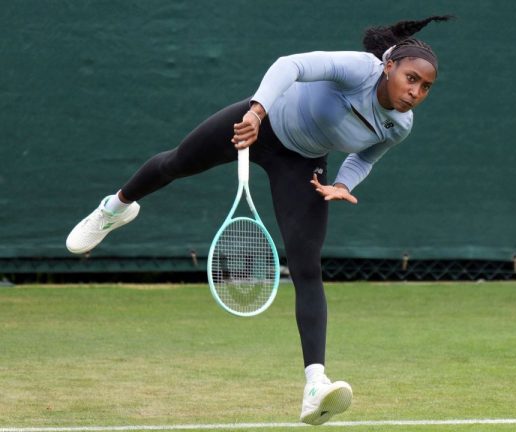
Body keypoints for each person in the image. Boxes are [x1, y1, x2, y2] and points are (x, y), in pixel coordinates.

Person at [66, 15, 451, 425]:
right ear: (390, 66)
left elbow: (367, 154)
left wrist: (342, 182)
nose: (415, 92)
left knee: (307, 269)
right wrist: (256, 111)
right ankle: (116, 206)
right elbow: (291, 65)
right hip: (260, 125)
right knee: (177, 162)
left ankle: (316, 384)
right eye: (411, 78)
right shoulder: (358, 69)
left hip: (302, 166)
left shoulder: (400, 125)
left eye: (425, 87)